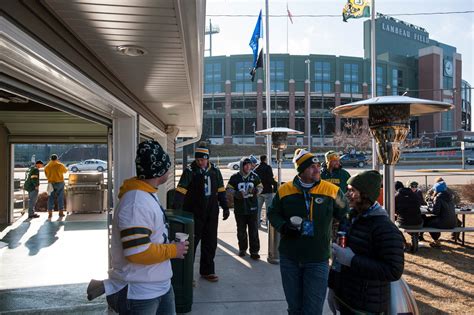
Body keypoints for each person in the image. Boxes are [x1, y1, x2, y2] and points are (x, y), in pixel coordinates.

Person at [103, 140, 188, 314]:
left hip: (159, 287)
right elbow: (137, 252)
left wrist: (169, 245)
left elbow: (148, 239)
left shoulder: (146, 194)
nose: (170, 170)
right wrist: (173, 250)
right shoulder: (136, 203)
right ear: (159, 171)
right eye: (167, 166)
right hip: (140, 294)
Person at [268, 149, 349, 315]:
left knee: (312, 309)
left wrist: (343, 234)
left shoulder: (331, 190)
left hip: (318, 259)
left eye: (318, 165)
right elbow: (272, 213)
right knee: (294, 308)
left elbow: (346, 214)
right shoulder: (285, 190)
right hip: (290, 258)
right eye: (312, 167)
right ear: (301, 171)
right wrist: (283, 226)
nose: (317, 169)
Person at [329, 170, 404, 314]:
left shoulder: (384, 228)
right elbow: (340, 262)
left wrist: (352, 260)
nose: (347, 195)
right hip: (346, 300)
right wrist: (332, 288)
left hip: (367, 307)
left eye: (352, 191)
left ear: (365, 194)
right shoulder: (351, 218)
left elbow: (393, 271)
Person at [173, 144, 229, 282]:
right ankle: (187, 274)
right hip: (194, 212)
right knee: (191, 243)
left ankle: (207, 271)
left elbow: (221, 190)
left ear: (207, 159)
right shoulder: (190, 171)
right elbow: (181, 191)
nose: (200, 162)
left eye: (202, 160)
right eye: (198, 160)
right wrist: (177, 208)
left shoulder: (215, 171)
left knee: (210, 242)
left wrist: (225, 206)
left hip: (211, 212)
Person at [226, 157, 263, 259]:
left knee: (254, 231)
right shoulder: (235, 177)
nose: (248, 167)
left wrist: (256, 190)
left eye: (249, 165)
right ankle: (242, 249)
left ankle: (254, 251)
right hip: (240, 209)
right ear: (242, 165)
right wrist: (236, 193)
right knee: (241, 231)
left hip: (252, 208)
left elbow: (261, 187)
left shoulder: (255, 176)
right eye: (245, 165)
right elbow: (228, 189)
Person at [423, 181, 457, 247]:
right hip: (453, 223)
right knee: (429, 220)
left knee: (425, 221)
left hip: (443, 222)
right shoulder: (450, 197)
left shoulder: (438, 197)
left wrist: (429, 209)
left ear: (437, 189)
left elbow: (435, 212)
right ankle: (436, 240)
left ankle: (435, 240)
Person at [254, 155, 277, 226]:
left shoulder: (256, 168)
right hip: (268, 191)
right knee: (268, 209)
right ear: (265, 159)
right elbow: (270, 179)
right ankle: (268, 224)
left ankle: (257, 224)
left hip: (259, 191)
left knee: (258, 209)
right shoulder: (268, 167)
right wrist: (275, 185)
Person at [44, 154, 68, 218]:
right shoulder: (60, 165)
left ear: (50, 159)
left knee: (50, 198)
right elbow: (65, 171)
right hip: (60, 182)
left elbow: (46, 175)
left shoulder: (47, 166)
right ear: (57, 159)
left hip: (51, 183)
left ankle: (50, 213)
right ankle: (61, 212)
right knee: (60, 197)